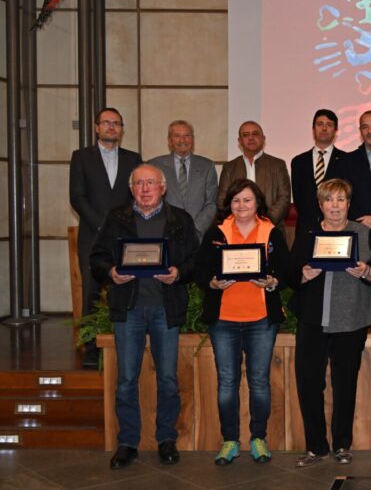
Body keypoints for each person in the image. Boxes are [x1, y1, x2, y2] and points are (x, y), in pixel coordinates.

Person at [89, 164, 198, 469]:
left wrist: (178, 273)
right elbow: (96, 258)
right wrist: (111, 272)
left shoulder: (180, 219)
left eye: (151, 183)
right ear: (131, 189)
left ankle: (166, 439)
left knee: (167, 378)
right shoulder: (117, 219)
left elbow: (195, 259)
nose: (145, 189)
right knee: (125, 379)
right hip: (129, 308)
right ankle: (127, 443)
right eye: (139, 184)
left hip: (166, 307)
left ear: (163, 187)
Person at [195, 179, 289, 466]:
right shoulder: (217, 232)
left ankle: (258, 438)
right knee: (227, 383)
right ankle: (230, 440)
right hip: (224, 320)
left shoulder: (271, 231)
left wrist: (273, 281)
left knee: (259, 382)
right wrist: (212, 282)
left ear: (257, 202)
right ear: (229, 204)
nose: (241, 206)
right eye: (236, 201)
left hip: (261, 319)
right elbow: (200, 271)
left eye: (247, 200)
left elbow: (286, 269)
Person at [288, 178, 371, 467]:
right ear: (320, 205)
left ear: (349, 204)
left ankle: (342, 444)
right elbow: (290, 273)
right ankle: (316, 446)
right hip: (313, 318)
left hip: (351, 318)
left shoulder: (363, 233)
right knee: (308, 382)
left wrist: (366, 271)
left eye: (341, 200)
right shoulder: (308, 234)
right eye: (329, 200)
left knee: (345, 383)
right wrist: (303, 275)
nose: (335, 206)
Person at [70, 107, 143, 368]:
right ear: (96, 127)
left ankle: (121, 344)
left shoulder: (133, 158)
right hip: (93, 237)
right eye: (107, 123)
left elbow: (139, 196)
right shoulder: (81, 157)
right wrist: (104, 226)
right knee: (91, 292)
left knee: (123, 291)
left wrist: (119, 227)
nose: (112, 128)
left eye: (117, 124)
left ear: (122, 129)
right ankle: (91, 348)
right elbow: (77, 197)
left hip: (126, 238)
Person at [149, 119, 219, 241]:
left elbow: (211, 203)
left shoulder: (207, 166)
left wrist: (195, 229)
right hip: (165, 234)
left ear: (193, 139)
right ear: (170, 140)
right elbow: (151, 201)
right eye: (177, 136)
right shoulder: (154, 165)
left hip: (198, 237)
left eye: (187, 135)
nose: (183, 140)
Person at [218, 121, 292, 227]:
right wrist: (239, 223)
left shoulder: (278, 165)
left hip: (271, 229)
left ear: (263, 138)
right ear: (240, 141)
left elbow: (284, 198)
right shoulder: (229, 167)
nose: (251, 138)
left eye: (255, 134)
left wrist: (264, 224)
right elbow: (222, 200)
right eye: (246, 135)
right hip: (236, 231)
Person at [291, 109, 346, 231]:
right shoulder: (298, 162)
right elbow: (298, 199)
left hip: (337, 227)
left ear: (335, 131)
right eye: (320, 124)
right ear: (313, 129)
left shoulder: (347, 160)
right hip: (306, 228)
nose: (324, 128)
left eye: (329, 125)